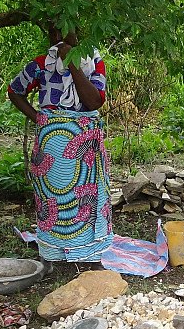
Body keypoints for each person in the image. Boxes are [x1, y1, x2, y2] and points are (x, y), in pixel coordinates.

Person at [7, 30, 114, 264]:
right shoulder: (41, 65)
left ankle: (88, 255)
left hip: (85, 146)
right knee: (52, 199)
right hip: (51, 146)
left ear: (80, 36)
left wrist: (72, 63)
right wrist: (38, 118)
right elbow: (15, 90)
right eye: (55, 31)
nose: (61, 36)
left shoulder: (94, 63)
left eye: (68, 31)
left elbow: (95, 101)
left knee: (88, 198)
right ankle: (52, 254)